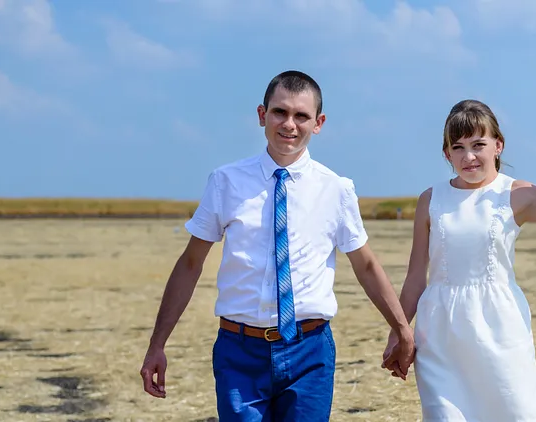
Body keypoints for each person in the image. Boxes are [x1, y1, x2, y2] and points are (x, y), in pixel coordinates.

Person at [139, 70, 415, 421]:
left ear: (319, 123)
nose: (289, 124)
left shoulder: (337, 189)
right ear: (261, 115)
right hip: (239, 352)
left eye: (301, 115)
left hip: (309, 352)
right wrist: (157, 345)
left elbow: (366, 265)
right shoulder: (226, 181)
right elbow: (191, 263)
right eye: (279, 112)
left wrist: (402, 330)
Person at [382, 99, 536, 421]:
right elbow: (415, 280)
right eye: (458, 147)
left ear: (498, 146)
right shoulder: (430, 199)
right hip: (439, 337)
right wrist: (398, 331)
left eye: (479, 144)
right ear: (446, 153)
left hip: (501, 333)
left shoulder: (519, 195)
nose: (469, 156)